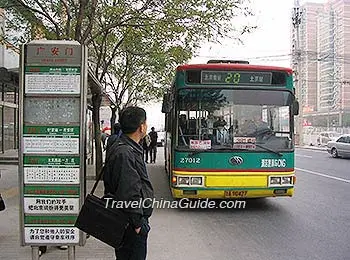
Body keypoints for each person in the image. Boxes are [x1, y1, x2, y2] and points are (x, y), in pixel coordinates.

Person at [103, 106, 154, 260]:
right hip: (130, 224)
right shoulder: (125, 153)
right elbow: (129, 192)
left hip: (127, 221)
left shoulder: (125, 148)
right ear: (142, 126)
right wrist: (138, 224)